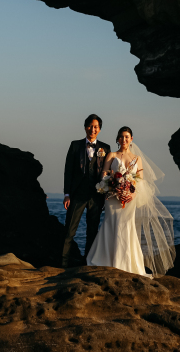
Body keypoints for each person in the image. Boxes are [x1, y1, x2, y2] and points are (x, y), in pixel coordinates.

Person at [86, 126, 176, 277]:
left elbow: (139, 182)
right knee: (111, 224)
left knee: (126, 227)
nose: (124, 139)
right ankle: (105, 260)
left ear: (131, 139)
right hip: (112, 198)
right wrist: (114, 188)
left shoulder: (137, 159)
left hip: (129, 199)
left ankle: (126, 263)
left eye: (127, 137)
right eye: (121, 136)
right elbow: (104, 175)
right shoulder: (111, 155)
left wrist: (130, 195)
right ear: (117, 139)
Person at [61, 114, 111, 268]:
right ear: (85, 127)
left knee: (92, 232)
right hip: (77, 195)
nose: (92, 129)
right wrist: (67, 194)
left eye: (96, 127)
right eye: (90, 126)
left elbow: (108, 174)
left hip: (96, 197)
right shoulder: (75, 145)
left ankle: (87, 264)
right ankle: (63, 264)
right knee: (69, 231)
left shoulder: (106, 148)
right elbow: (68, 171)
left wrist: (106, 195)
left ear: (100, 130)